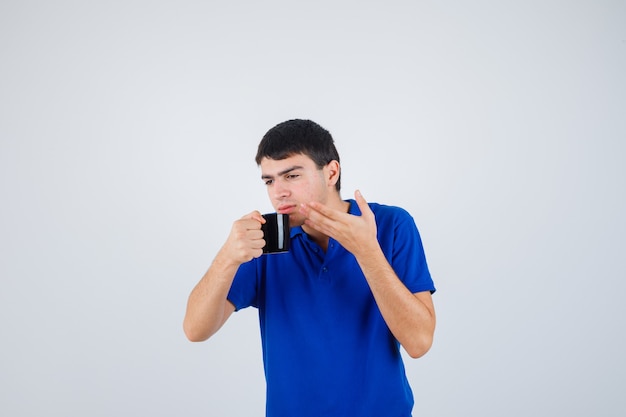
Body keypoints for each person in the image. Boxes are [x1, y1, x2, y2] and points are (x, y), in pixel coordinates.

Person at [183, 119, 436, 417]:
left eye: (291, 176)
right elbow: (195, 330)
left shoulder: (392, 225)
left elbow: (419, 342)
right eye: (269, 181)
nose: (278, 192)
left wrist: (367, 252)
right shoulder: (265, 240)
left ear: (331, 172)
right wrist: (227, 257)